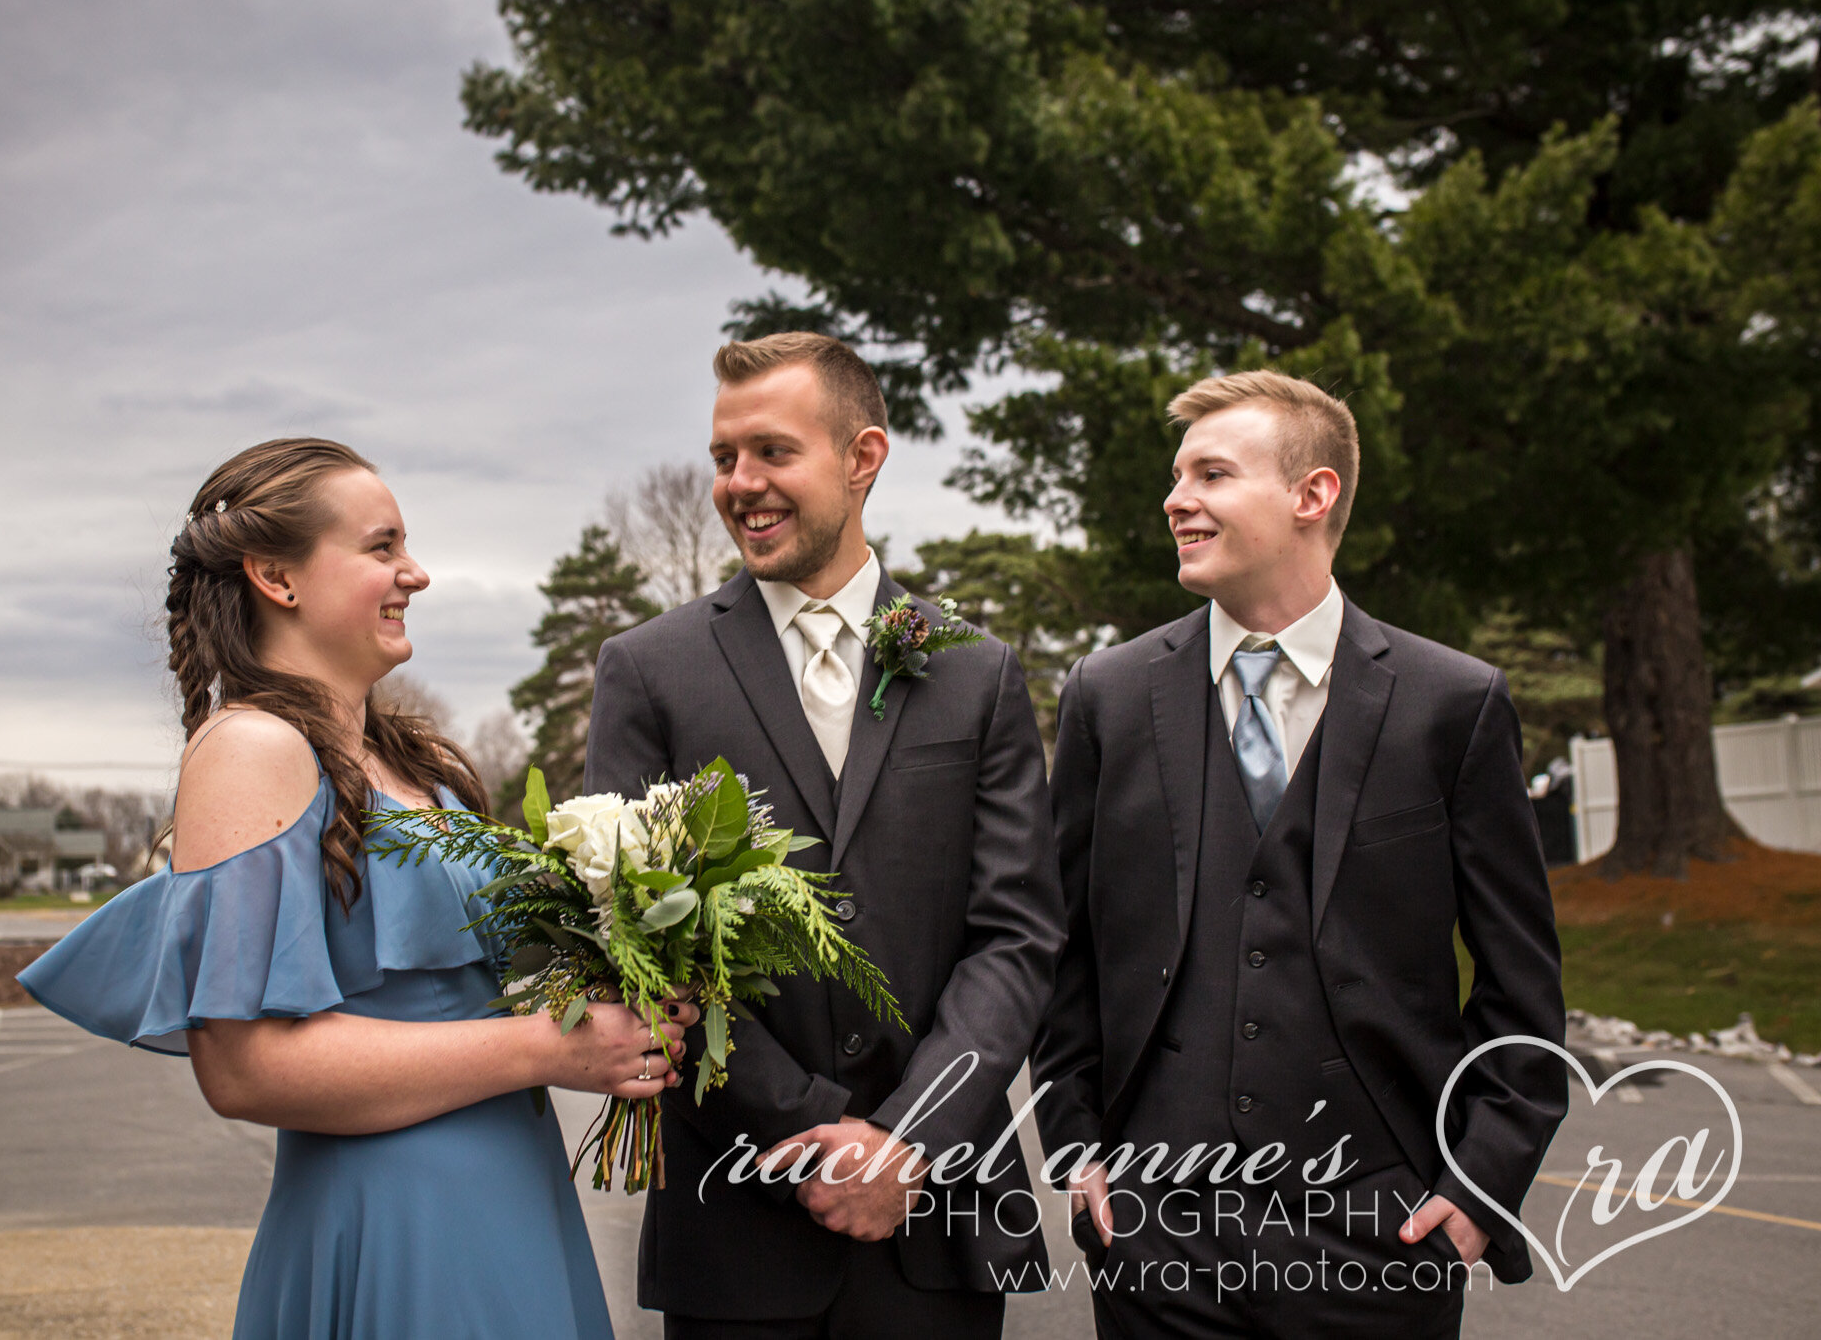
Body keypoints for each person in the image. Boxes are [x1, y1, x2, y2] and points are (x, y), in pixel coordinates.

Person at [19, 438, 692, 1340]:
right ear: (276, 576)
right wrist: (550, 1052)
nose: (414, 572)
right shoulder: (252, 747)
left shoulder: (418, 765)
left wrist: (627, 988)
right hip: (396, 1221)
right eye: (382, 547)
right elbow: (246, 1065)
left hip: (513, 1195)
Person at [1031, 372, 1567, 1338]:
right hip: (1157, 1240)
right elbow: (1064, 951)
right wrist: (1077, 1150)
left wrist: (1477, 1191)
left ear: (1311, 495)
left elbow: (1522, 988)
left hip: (1385, 1240)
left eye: (1212, 472)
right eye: (1176, 474)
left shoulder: (1454, 703)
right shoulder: (1106, 696)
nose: (1176, 497)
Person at [583, 333, 1065, 1338]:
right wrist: (808, 1131)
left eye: (771, 452)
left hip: (932, 1221)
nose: (739, 484)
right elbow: (634, 941)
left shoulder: (974, 673)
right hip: (738, 1217)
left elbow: (1016, 936)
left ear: (862, 456)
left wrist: (905, 1142)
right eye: (723, 458)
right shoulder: (648, 671)